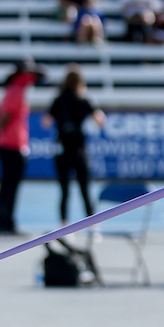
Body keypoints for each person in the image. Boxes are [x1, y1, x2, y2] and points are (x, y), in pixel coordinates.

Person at [42, 65, 105, 228]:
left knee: (64, 191)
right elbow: (100, 120)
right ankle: (93, 225)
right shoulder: (84, 99)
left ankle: (64, 226)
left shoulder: (59, 99)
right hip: (79, 150)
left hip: (62, 150)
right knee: (85, 190)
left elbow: (46, 122)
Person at [0, 59, 44, 237]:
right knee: (10, 186)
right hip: (13, 144)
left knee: (7, 185)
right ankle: (6, 222)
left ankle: (5, 221)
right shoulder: (17, 91)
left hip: (9, 143)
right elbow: (5, 118)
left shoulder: (14, 89)